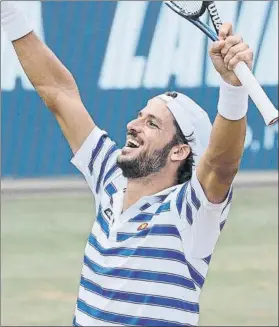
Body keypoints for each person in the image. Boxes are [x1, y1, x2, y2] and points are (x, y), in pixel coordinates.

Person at [1, 2, 253, 326]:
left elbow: (220, 165)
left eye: (151, 123)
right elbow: (58, 93)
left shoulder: (190, 213)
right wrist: (7, 12)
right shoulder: (109, 175)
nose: (133, 125)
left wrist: (233, 88)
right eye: (139, 116)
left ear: (179, 151)